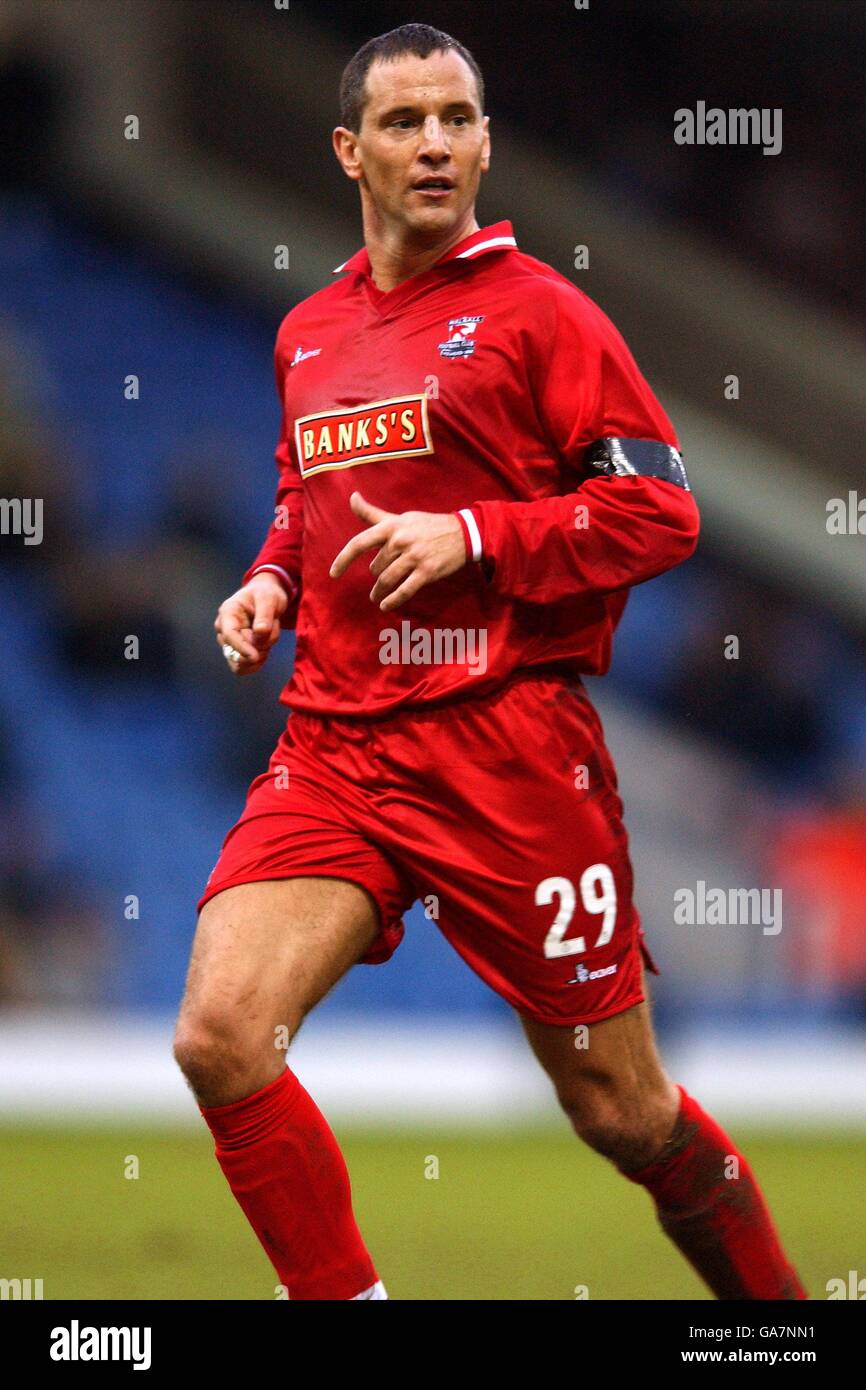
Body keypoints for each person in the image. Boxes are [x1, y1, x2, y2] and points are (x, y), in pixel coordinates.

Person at [173, 23, 805, 1301]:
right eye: (405, 122)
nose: (435, 145)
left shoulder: (544, 318)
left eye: (457, 119)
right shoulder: (307, 331)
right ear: (349, 149)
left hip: (508, 750)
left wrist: (472, 535)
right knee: (220, 1036)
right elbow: (311, 489)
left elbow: (659, 511)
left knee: (622, 1112)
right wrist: (273, 578)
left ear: (484, 144)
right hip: (338, 748)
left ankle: (782, 1321)